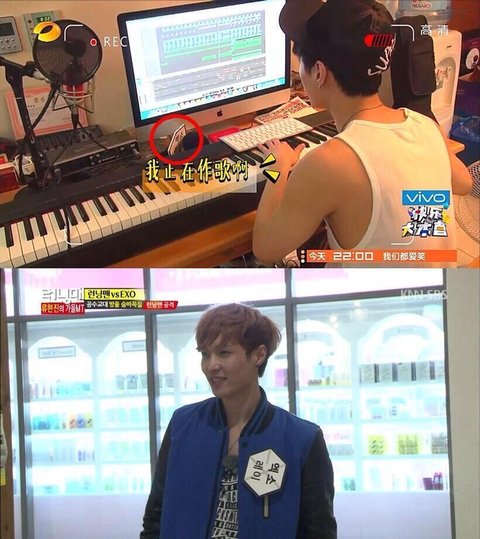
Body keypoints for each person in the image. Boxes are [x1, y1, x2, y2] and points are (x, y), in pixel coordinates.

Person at [253, 0, 472, 266]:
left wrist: (276, 168)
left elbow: (264, 250)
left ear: (319, 72)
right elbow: (464, 183)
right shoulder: (426, 126)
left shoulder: (327, 163)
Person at [140, 303, 337, 539]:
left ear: (259, 355)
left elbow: (319, 531)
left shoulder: (302, 439)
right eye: (205, 354)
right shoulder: (183, 424)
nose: (211, 365)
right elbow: (155, 517)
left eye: (224, 353)